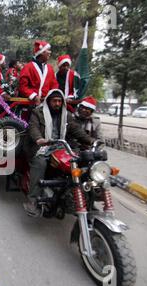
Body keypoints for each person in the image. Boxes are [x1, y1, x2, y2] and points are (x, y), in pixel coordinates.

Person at [22, 89, 95, 217]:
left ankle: (84, 196)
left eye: (59, 101)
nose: (57, 104)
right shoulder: (38, 112)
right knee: (40, 163)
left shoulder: (66, 114)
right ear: (49, 101)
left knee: (82, 161)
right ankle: (32, 199)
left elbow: (76, 130)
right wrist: (39, 139)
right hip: (40, 146)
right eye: (54, 101)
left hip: (60, 146)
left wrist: (92, 141)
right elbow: (33, 128)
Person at [19, 40, 59, 105]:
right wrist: (34, 96)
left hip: (47, 103)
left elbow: (54, 85)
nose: (50, 52)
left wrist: (51, 96)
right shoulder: (28, 67)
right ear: (42, 52)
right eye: (48, 50)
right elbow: (23, 87)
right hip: (31, 104)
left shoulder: (50, 68)